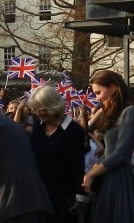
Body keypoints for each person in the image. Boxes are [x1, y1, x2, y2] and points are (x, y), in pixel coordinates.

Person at [82, 69, 134, 223]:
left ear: (113, 88)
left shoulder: (130, 112)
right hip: (109, 178)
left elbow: (121, 154)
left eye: (98, 92)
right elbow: (109, 152)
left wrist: (92, 174)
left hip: (119, 180)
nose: (97, 98)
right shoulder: (118, 113)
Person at [25, 86, 87, 223]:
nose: (37, 113)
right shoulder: (38, 127)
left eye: (41, 109)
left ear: (52, 105)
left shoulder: (73, 130)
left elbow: (78, 164)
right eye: (35, 109)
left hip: (64, 198)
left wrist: (79, 195)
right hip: (40, 196)